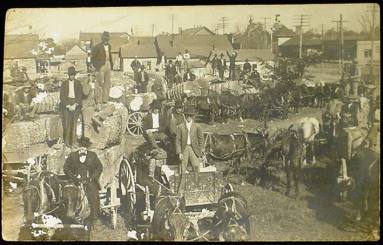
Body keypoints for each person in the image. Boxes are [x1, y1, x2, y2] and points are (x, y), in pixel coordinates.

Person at [63, 136, 103, 230]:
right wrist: (73, 177)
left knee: (93, 195)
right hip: (75, 180)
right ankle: (69, 214)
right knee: (68, 193)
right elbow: (66, 168)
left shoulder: (93, 155)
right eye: (81, 147)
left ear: (87, 148)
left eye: (84, 147)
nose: (82, 149)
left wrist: (92, 177)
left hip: (89, 180)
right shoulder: (73, 156)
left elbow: (99, 167)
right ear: (78, 147)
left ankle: (95, 218)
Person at [176, 106, 204, 195]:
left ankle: (196, 187)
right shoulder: (180, 127)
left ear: (193, 116)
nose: (188, 117)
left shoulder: (197, 126)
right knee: (183, 169)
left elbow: (201, 139)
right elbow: (177, 140)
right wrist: (179, 152)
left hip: (193, 149)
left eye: (190, 116)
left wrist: (201, 151)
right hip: (184, 149)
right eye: (187, 115)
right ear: (185, 116)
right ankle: (181, 190)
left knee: (196, 167)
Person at [60, 66, 84, 148]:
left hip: (75, 104)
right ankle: (67, 142)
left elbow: (80, 95)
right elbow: (62, 97)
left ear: (75, 75)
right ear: (68, 75)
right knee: (67, 124)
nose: (72, 76)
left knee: (74, 124)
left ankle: (74, 141)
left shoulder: (78, 83)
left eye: (73, 75)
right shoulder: (64, 84)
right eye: (70, 75)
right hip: (67, 104)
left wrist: (75, 104)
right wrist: (67, 105)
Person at [91, 31, 113, 111]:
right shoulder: (97, 47)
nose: (106, 41)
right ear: (102, 39)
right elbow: (93, 58)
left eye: (107, 39)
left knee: (107, 83)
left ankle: (105, 100)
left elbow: (109, 56)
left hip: (108, 65)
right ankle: (98, 102)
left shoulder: (109, 46)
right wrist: (97, 67)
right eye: (105, 39)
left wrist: (111, 65)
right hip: (101, 66)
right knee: (99, 84)